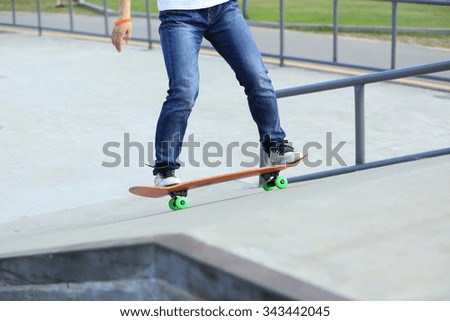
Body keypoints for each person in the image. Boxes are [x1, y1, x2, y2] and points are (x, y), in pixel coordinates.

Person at [111, 0, 301, 186]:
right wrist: (124, 16)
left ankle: (275, 146)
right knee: (183, 92)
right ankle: (164, 168)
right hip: (178, 15)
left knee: (257, 78)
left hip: (224, 9)